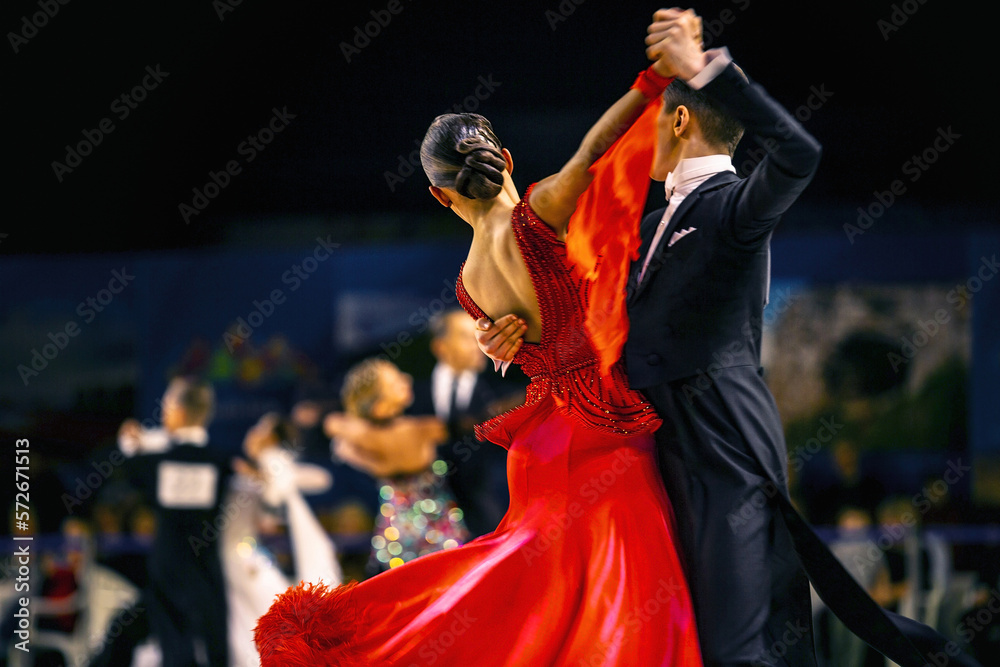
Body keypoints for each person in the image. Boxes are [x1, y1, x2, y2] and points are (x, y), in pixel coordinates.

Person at [476, 9, 984, 667]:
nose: (640, 135)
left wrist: (708, 69)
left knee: (734, 649)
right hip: (656, 456)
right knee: (690, 642)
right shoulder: (654, 220)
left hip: (722, 453)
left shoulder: (733, 208)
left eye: (652, 115)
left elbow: (801, 154)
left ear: (679, 119)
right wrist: (519, 341)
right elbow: (598, 328)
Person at [253, 10, 704, 666]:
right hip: (600, 433)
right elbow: (595, 151)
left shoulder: (468, 283)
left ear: (439, 195)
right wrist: (655, 80)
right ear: (508, 160)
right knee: (626, 605)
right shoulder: (537, 217)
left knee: (548, 600)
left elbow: (529, 339)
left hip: (543, 444)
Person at [120, 376, 233, 667]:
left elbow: (133, 468)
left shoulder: (152, 462)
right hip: (207, 571)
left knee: (175, 652)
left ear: (180, 412)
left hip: (167, 569)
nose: (164, 412)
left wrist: (132, 444)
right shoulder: (222, 462)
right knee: (215, 648)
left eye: (168, 405)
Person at [324, 357, 472, 574]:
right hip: (435, 530)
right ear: (380, 407)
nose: (407, 379)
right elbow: (467, 423)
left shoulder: (361, 436)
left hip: (395, 532)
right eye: (396, 383)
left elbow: (333, 425)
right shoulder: (414, 431)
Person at [224, 411, 342, 666]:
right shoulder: (255, 466)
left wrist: (266, 480)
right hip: (246, 555)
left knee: (273, 622)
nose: (253, 431)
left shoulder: (272, 461)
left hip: (254, 556)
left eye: (261, 428)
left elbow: (276, 501)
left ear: (272, 439)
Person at [413, 308, 520, 537]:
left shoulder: (504, 395)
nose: (477, 345)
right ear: (439, 347)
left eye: (480, 338)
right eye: (465, 337)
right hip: (425, 526)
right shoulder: (410, 396)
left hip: (490, 523)